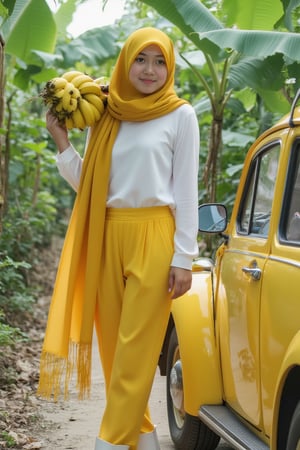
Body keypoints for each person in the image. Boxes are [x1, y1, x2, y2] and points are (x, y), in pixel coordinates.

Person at [38, 27, 200, 450]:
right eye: (141, 59)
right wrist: (62, 141)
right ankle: (143, 439)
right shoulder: (107, 113)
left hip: (155, 235)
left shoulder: (180, 114)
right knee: (114, 353)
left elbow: (185, 191)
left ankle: (107, 443)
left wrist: (184, 255)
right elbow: (90, 184)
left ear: (170, 67)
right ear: (126, 61)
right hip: (106, 232)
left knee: (135, 353)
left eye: (160, 61)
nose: (150, 70)